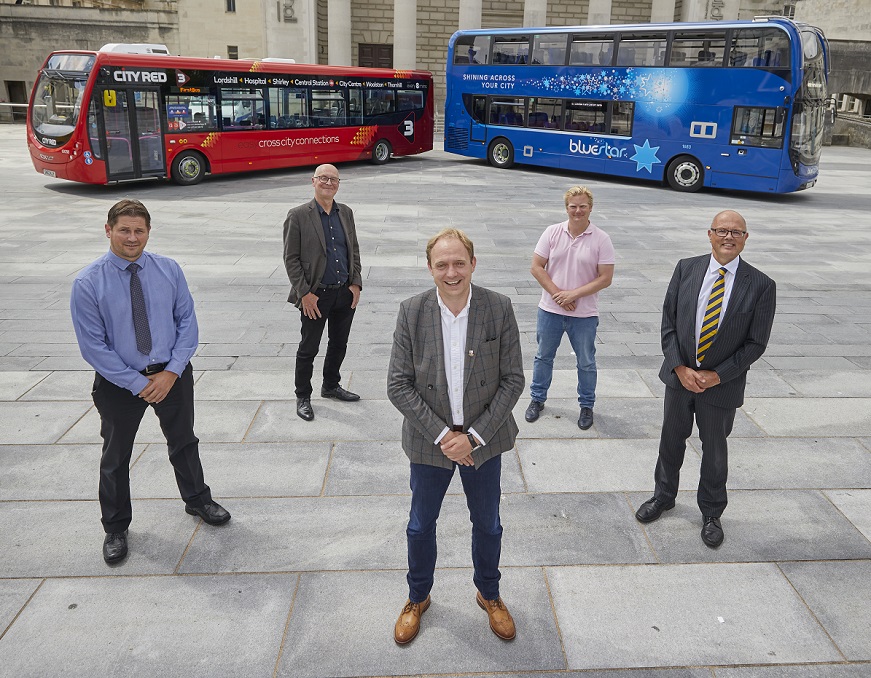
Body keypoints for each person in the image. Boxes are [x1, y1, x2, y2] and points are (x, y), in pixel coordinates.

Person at [70, 199, 230, 565]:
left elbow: (187, 323)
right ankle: (115, 526)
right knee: (115, 456)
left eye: (138, 230)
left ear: (148, 232)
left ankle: (198, 500)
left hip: (171, 375)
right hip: (119, 383)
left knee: (184, 441)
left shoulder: (169, 270)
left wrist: (171, 372)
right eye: (124, 229)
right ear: (108, 230)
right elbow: (93, 346)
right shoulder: (87, 282)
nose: (131, 237)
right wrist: (137, 384)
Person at [387, 229, 524, 645]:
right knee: (419, 526)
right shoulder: (411, 311)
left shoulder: (498, 308)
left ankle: (490, 593)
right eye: (442, 264)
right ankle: (417, 597)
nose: (451, 272)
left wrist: (475, 437)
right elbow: (398, 384)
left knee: (488, 524)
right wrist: (447, 436)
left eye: (459, 263)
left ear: (473, 264)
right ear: (430, 268)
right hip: (431, 444)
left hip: (485, 443)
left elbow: (513, 380)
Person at [635, 210, 776, 548]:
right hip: (679, 380)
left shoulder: (760, 285)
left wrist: (717, 375)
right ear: (709, 234)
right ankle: (664, 496)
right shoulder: (687, 268)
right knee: (670, 441)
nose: (729, 237)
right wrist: (679, 368)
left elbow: (756, 343)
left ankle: (712, 512)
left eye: (737, 232)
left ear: (745, 238)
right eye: (722, 230)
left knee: (714, 451)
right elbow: (668, 324)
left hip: (721, 387)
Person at [525, 186, 615, 430]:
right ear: (566, 208)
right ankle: (537, 399)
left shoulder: (601, 239)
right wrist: (558, 295)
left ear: (590, 208)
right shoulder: (552, 232)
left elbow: (605, 278)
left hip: (584, 315)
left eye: (582, 206)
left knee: (586, 361)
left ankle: (587, 405)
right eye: (573, 206)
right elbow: (536, 266)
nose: (578, 210)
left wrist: (573, 294)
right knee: (543, 357)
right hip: (550, 311)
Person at [283, 164, 363, 422]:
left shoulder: (346, 212)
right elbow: (291, 259)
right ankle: (302, 395)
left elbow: (354, 249)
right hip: (315, 296)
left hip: (343, 293)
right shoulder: (297, 215)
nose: (329, 183)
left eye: (334, 179)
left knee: (339, 344)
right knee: (309, 347)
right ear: (313, 181)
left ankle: (330, 385)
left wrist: (356, 284)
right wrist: (304, 293)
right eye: (323, 178)